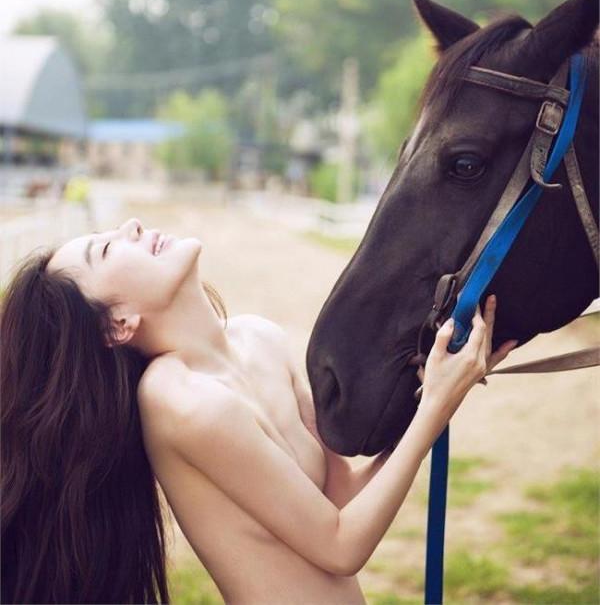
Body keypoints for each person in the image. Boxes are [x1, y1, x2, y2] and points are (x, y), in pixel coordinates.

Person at [0, 217, 516, 604]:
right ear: (118, 324)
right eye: (109, 248)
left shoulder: (259, 337)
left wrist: (441, 389)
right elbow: (341, 547)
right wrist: (435, 410)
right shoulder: (177, 400)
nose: (132, 226)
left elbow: (343, 500)